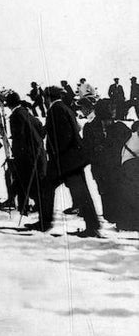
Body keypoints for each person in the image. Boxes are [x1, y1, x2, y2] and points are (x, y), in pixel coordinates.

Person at [36, 86, 99, 236]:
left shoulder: (55, 110)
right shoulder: (64, 108)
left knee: (46, 187)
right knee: (80, 193)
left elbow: (64, 135)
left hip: (64, 160)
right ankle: (92, 225)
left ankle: (44, 223)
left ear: (47, 98)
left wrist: (56, 154)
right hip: (72, 159)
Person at [83, 99, 130, 225]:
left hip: (117, 167)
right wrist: (95, 150)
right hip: (100, 168)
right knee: (104, 192)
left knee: (118, 192)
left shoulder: (120, 127)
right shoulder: (90, 127)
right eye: (111, 108)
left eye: (114, 108)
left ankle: (119, 218)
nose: (114, 111)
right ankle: (111, 217)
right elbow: (86, 149)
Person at [3, 91, 45, 215]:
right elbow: (41, 130)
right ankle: (38, 205)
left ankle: (23, 208)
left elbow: (19, 137)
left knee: (22, 180)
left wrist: (16, 155)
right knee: (33, 181)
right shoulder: (28, 113)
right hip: (37, 153)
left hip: (25, 155)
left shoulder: (15, 115)